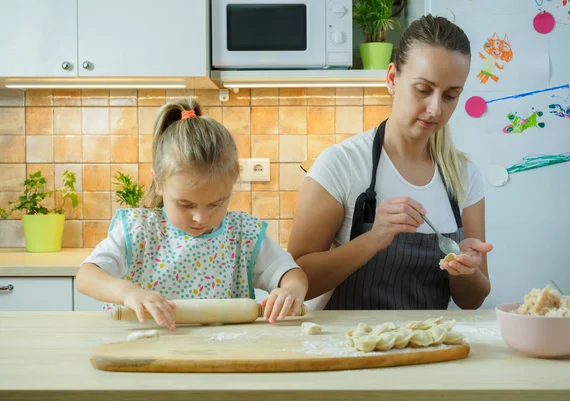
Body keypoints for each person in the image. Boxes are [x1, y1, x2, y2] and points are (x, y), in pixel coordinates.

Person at [287, 15, 493, 311]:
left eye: (450, 96)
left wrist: (467, 270)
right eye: (423, 90)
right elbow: (296, 280)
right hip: (348, 350)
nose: (435, 109)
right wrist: (374, 238)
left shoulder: (464, 176)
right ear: (392, 79)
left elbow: (472, 300)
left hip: (430, 350)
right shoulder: (341, 164)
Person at [75, 99, 308, 328]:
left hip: (221, 354)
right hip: (146, 349)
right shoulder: (140, 230)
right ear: (158, 183)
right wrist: (128, 293)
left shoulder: (242, 235)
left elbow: (292, 273)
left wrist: (290, 291)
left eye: (216, 204)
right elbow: (86, 277)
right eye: (185, 205)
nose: (201, 218)